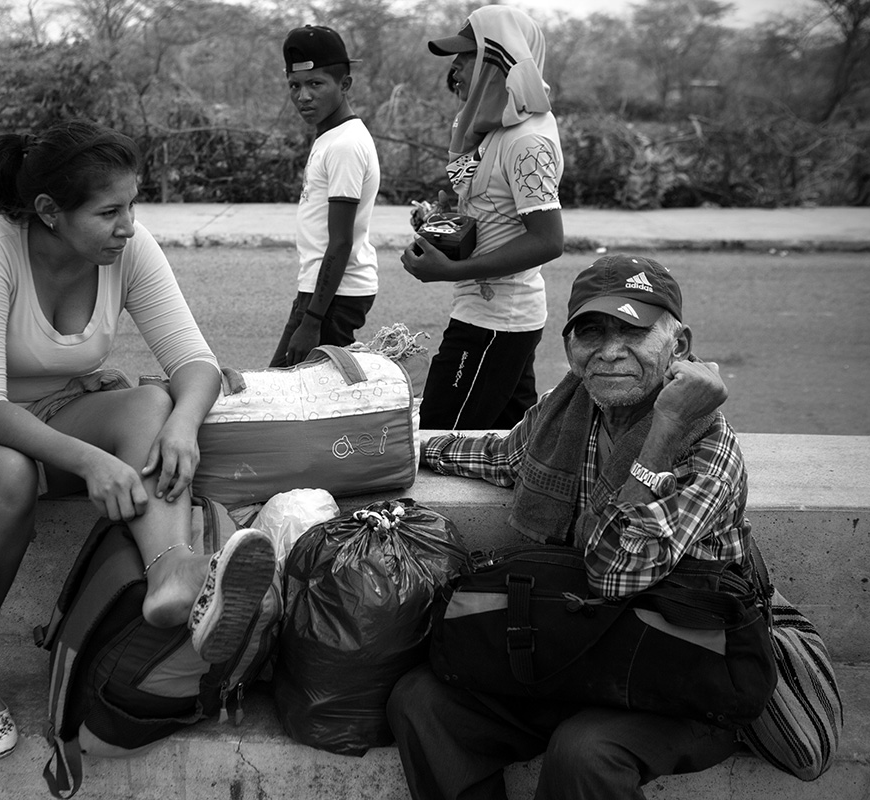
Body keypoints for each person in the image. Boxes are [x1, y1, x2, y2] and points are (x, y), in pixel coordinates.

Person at [0, 120, 275, 761]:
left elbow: (194, 362)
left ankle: (171, 575)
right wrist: (92, 461)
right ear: (49, 213)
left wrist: (181, 422)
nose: (128, 224)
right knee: (6, 475)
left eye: (133, 205)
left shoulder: (127, 249)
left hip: (49, 413)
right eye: (110, 211)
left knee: (149, 400)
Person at [387, 253, 750, 799]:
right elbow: (504, 456)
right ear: (568, 346)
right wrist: (400, 445)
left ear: (679, 345)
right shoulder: (570, 410)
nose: (608, 351)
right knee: (422, 702)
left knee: (586, 753)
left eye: (633, 331)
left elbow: (615, 573)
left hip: (678, 670)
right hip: (575, 647)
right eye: (592, 331)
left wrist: (667, 427)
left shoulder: (705, 443)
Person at [403, 6, 564, 430]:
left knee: (438, 436)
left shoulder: (527, 139)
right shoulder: (496, 128)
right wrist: (446, 218)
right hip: (491, 316)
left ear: (502, 57)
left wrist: (452, 269)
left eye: (465, 55)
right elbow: (498, 209)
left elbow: (547, 240)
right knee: (510, 438)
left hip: (494, 324)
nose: (454, 67)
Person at [270, 24, 380, 367]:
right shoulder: (331, 137)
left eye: (316, 84)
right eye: (295, 85)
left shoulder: (345, 145)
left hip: (333, 298)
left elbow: (341, 241)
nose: (303, 96)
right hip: (325, 293)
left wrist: (312, 320)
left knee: (283, 393)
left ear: (344, 85)